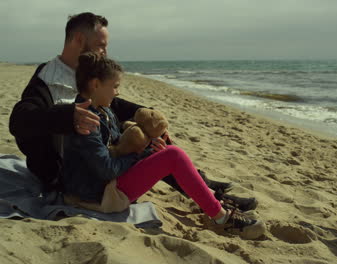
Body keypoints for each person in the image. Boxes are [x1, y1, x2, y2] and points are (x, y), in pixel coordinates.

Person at [9, 12, 256, 211]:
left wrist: (147, 114)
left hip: (97, 162)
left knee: (150, 135)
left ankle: (203, 186)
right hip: (68, 176)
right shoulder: (47, 79)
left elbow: (117, 105)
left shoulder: (89, 77)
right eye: (100, 46)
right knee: (148, 150)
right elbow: (19, 120)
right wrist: (67, 116)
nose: (104, 52)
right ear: (77, 41)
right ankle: (209, 194)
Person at [61, 52, 266, 239]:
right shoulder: (87, 121)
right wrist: (141, 154)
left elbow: (115, 144)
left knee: (167, 151)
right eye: (114, 86)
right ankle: (222, 217)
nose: (117, 91)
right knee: (173, 155)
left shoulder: (102, 111)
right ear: (96, 84)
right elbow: (106, 169)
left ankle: (215, 205)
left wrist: (147, 144)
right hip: (98, 196)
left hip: (102, 187)